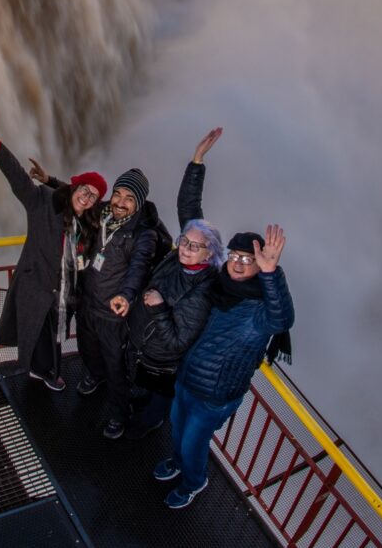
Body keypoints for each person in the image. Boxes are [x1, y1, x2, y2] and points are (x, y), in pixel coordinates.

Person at [29, 156, 171, 439]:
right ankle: (95, 375)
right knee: (88, 350)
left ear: (139, 203)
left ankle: (119, 414)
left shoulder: (142, 236)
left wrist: (127, 297)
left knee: (116, 367)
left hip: (113, 314)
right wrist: (49, 181)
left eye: (129, 198)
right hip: (86, 302)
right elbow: (79, 199)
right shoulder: (103, 212)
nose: (120, 202)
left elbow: (137, 270)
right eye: (117, 194)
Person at [154, 225, 294, 509]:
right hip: (187, 380)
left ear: (260, 264)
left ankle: (194, 482)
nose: (238, 264)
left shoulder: (260, 310)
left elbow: (283, 319)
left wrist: (271, 272)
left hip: (215, 395)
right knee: (178, 428)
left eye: (248, 260)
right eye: (234, 256)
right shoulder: (220, 288)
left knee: (194, 442)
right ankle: (178, 463)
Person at [0, 92, 105, 391]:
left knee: (56, 334)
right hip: (39, 284)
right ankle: (44, 372)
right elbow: (16, 175)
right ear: (75, 187)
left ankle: (42, 369)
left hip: (67, 290)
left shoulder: (89, 221)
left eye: (93, 196)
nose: (86, 197)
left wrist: (51, 179)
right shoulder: (42, 202)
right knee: (42, 333)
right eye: (84, 190)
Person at [124, 128, 225, 439]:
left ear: (211, 253)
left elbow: (179, 341)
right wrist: (196, 162)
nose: (185, 247)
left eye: (195, 246)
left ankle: (148, 427)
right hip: (143, 347)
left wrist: (156, 310)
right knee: (138, 390)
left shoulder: (205, 287)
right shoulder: (182, 257)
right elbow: (189, 209)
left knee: (152, 407)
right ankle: (140, 410)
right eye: (184, 241)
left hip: (163, 364)